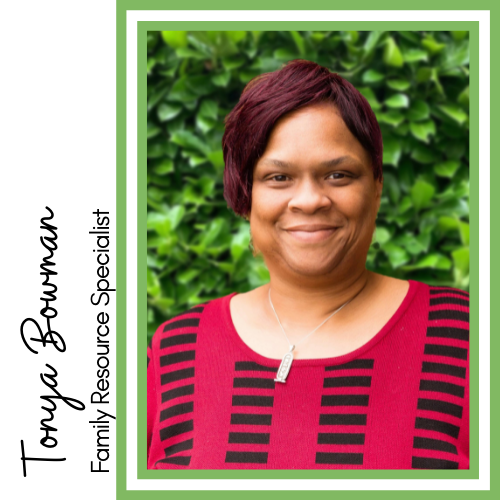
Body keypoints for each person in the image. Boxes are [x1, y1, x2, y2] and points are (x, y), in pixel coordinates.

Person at [147, 60, 470, 470]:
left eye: (337, 175)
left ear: (376, 186)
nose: (310, 200)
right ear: (246, 198)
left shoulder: (466, 339)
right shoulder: (177, 349)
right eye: (278, 178)